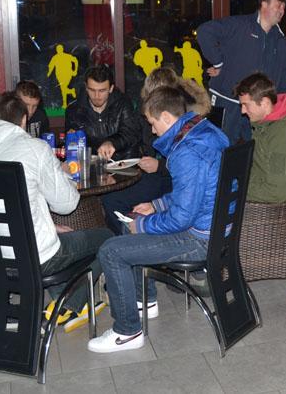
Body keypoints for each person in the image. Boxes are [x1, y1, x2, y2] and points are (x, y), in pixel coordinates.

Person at [88, 86, 228, 353]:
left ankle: (127, 332)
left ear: (166, 116)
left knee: (111, 251)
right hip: (214, 229)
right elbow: (194, 192)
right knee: (134, 220)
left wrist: (141, 224)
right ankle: (146, 301)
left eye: (153, 123)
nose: (152, 131)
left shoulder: (187, 151)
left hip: (199, 239)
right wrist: (155, 205)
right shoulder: (206, 133)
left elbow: (181, 219)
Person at [0, 91, 115, 332]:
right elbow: (66, 205)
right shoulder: (35, 149)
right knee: (108, 238)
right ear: (24, 120)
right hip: (37, 257)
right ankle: (68, 305)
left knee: (59, 236)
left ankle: (65, 299)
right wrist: (62, 175)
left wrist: (48, 224)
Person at [100, 67, 210, 234]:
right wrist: (112, 143)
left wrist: (160, 166)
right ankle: (130, 237)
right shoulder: (149, 106)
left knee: (113, 199)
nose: (152, 129)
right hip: (153, 173)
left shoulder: (189, 117)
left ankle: (133, 239)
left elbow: (191, 168)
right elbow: (132, 131)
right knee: (112, 199)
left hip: (169, 178)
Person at [197, 0, 286, 145]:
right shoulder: (240, 25)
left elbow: (284, 77)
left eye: (284, 8)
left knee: (258, 150)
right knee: (221, 148)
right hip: (227, 100)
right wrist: (218, 63)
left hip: (257, 107)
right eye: (278, 6)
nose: (282, 11)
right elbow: (204, 31)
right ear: (264, 4)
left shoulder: (280, 40)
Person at [234, 72, 286, 203]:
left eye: (246, 105)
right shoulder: (265, 126)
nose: (243, 111)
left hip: (268, 206)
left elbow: (276, 192)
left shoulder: (284, 136)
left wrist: (236, 189)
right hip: (257, 194)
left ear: (264, 103)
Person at [64, 66, 142, 160]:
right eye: (92, 90)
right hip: (91, 164)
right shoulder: (74, 111)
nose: (96, 96)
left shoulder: (123, 103)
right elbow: (72, 145)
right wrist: (72, 138)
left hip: (123, 162)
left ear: (111, 88)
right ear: (86, 87)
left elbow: (131, 133)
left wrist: (112, 143)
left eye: (102, 90)